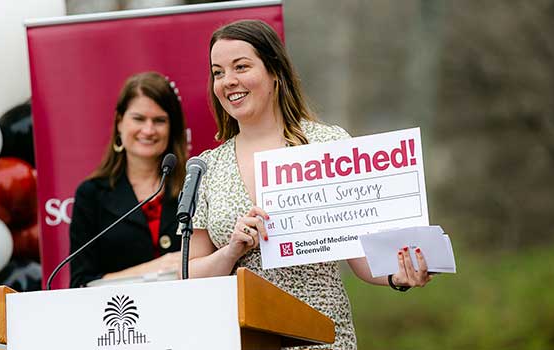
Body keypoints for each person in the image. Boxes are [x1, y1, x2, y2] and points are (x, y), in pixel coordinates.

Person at [186, 20, 433, 349]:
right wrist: (231, 251)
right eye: (218, 72)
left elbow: (360, 258)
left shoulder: (327, 144)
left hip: (324, 336)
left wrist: (398, 275)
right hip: (244, 339)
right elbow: (188, 275)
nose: (229, 81)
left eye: (241, 67)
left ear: (274, 71)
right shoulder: (206, 166)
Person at [69, 71, 188, 288]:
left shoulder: (195, 185)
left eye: (159, 120)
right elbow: (80, 283)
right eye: (139, 118)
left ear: (172, 128)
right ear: (119, 122)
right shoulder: (91, 194)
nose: (148, 130)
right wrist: (155, 268)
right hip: (120, 318)